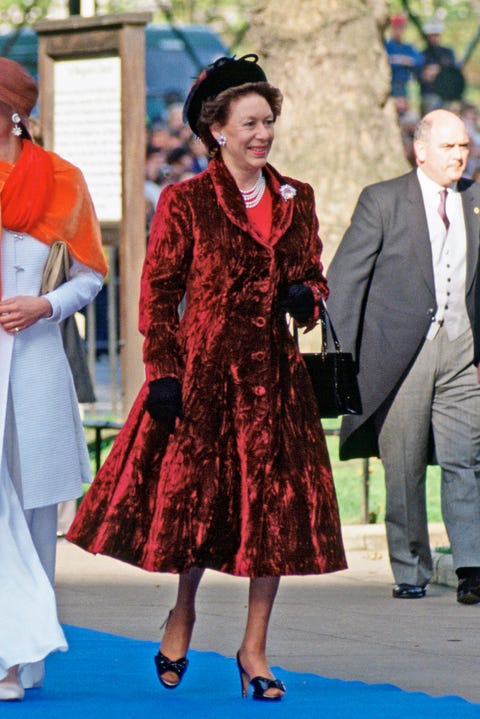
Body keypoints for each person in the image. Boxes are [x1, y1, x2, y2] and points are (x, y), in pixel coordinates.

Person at [67, 54, 346, 701]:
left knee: (272, 514)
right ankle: (184, 611)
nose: (262, 134)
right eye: (250, 122)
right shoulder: (185, 199)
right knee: (200, 508)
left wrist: (306, 293)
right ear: (217, 128)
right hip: (203, 377)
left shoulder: (293, 196)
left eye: (268, 122)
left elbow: (312, 270)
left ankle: (255, 648)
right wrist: (164, 371)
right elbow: (158, 293)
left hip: (273, 380)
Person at [327, 108, 480, 604]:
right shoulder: (383, 200)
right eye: (449, 147)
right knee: (405, 465)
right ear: (421, 151)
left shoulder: (476, 198)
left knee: (466, 461)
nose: (459, 155)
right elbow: (347, 280)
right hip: (400, 354)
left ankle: (471, 569)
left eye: (464, 146)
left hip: (462, 350)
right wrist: (340, 360)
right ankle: (410, 568)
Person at [0, 58, 107, 700]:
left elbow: (90, 275)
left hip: (34, 352)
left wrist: (45, 306)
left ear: (13, 110)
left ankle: (22, 653)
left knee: (34, 505)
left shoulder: (62, 179)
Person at [419, 19, 461, 114]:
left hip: (447, 95)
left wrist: (438, 71)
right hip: (430, 95)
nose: (434, 37)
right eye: (431, 35)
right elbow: (423, 76)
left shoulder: (448, 53)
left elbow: (453, 74)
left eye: (436, 34)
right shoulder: (423, 54)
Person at [384, 13, 423, 100]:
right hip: (388, 83)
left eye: (401, 27)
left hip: (404, 84)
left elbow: (419, 60)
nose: (398, 30)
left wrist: (406, 60)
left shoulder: (407, 47)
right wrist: (398, 60)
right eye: (396, 27)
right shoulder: (386, 46)